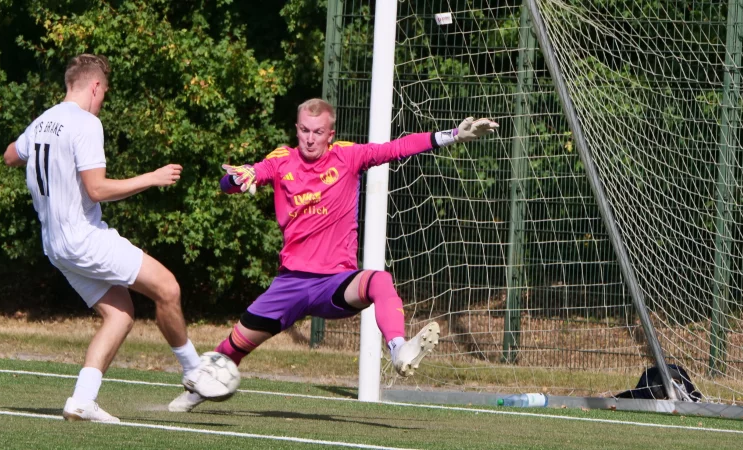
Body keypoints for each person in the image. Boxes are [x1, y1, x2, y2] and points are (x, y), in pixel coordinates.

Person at [168, 98, 499, 412]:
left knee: (379, 281)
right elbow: (231, 182)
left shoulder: (348, 156)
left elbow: (396, 148)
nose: (310, 139)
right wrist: (237, 178)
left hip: (334, 284)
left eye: (317, 132)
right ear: (296, 129)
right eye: (304, 130)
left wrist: (453, 135)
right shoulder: (281, 160)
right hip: (290, 285)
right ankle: (197, 391)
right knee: (233, 347)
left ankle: (399, 350)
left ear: (330, 134)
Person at [3, 54, 227, 423]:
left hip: (55, 246)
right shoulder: (86, 123)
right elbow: (97, 189)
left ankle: (81, 400)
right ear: (95, 86)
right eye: (104, 91)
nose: (103, 99)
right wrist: (152, 178)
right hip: (84, 239)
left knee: (120, 314)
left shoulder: (43, 121)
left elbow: (11, 155)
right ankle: (194, 373)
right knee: (167, 288)